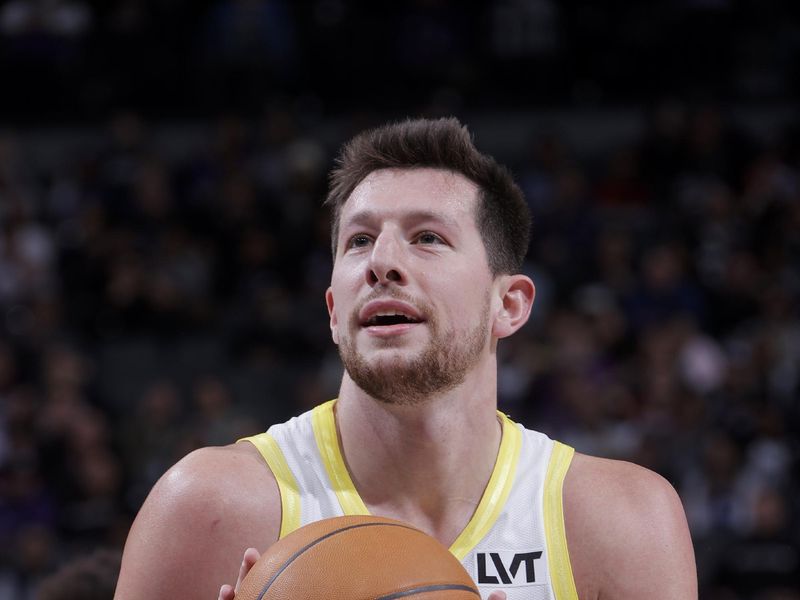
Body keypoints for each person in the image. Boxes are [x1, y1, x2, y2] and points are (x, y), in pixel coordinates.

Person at [114, 117, 697, 599]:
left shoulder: (621, 524)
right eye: (359, 240)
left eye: (428, 238)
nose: (382, 262)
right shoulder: (207, 509)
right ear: (333, 309)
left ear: (510, 304)